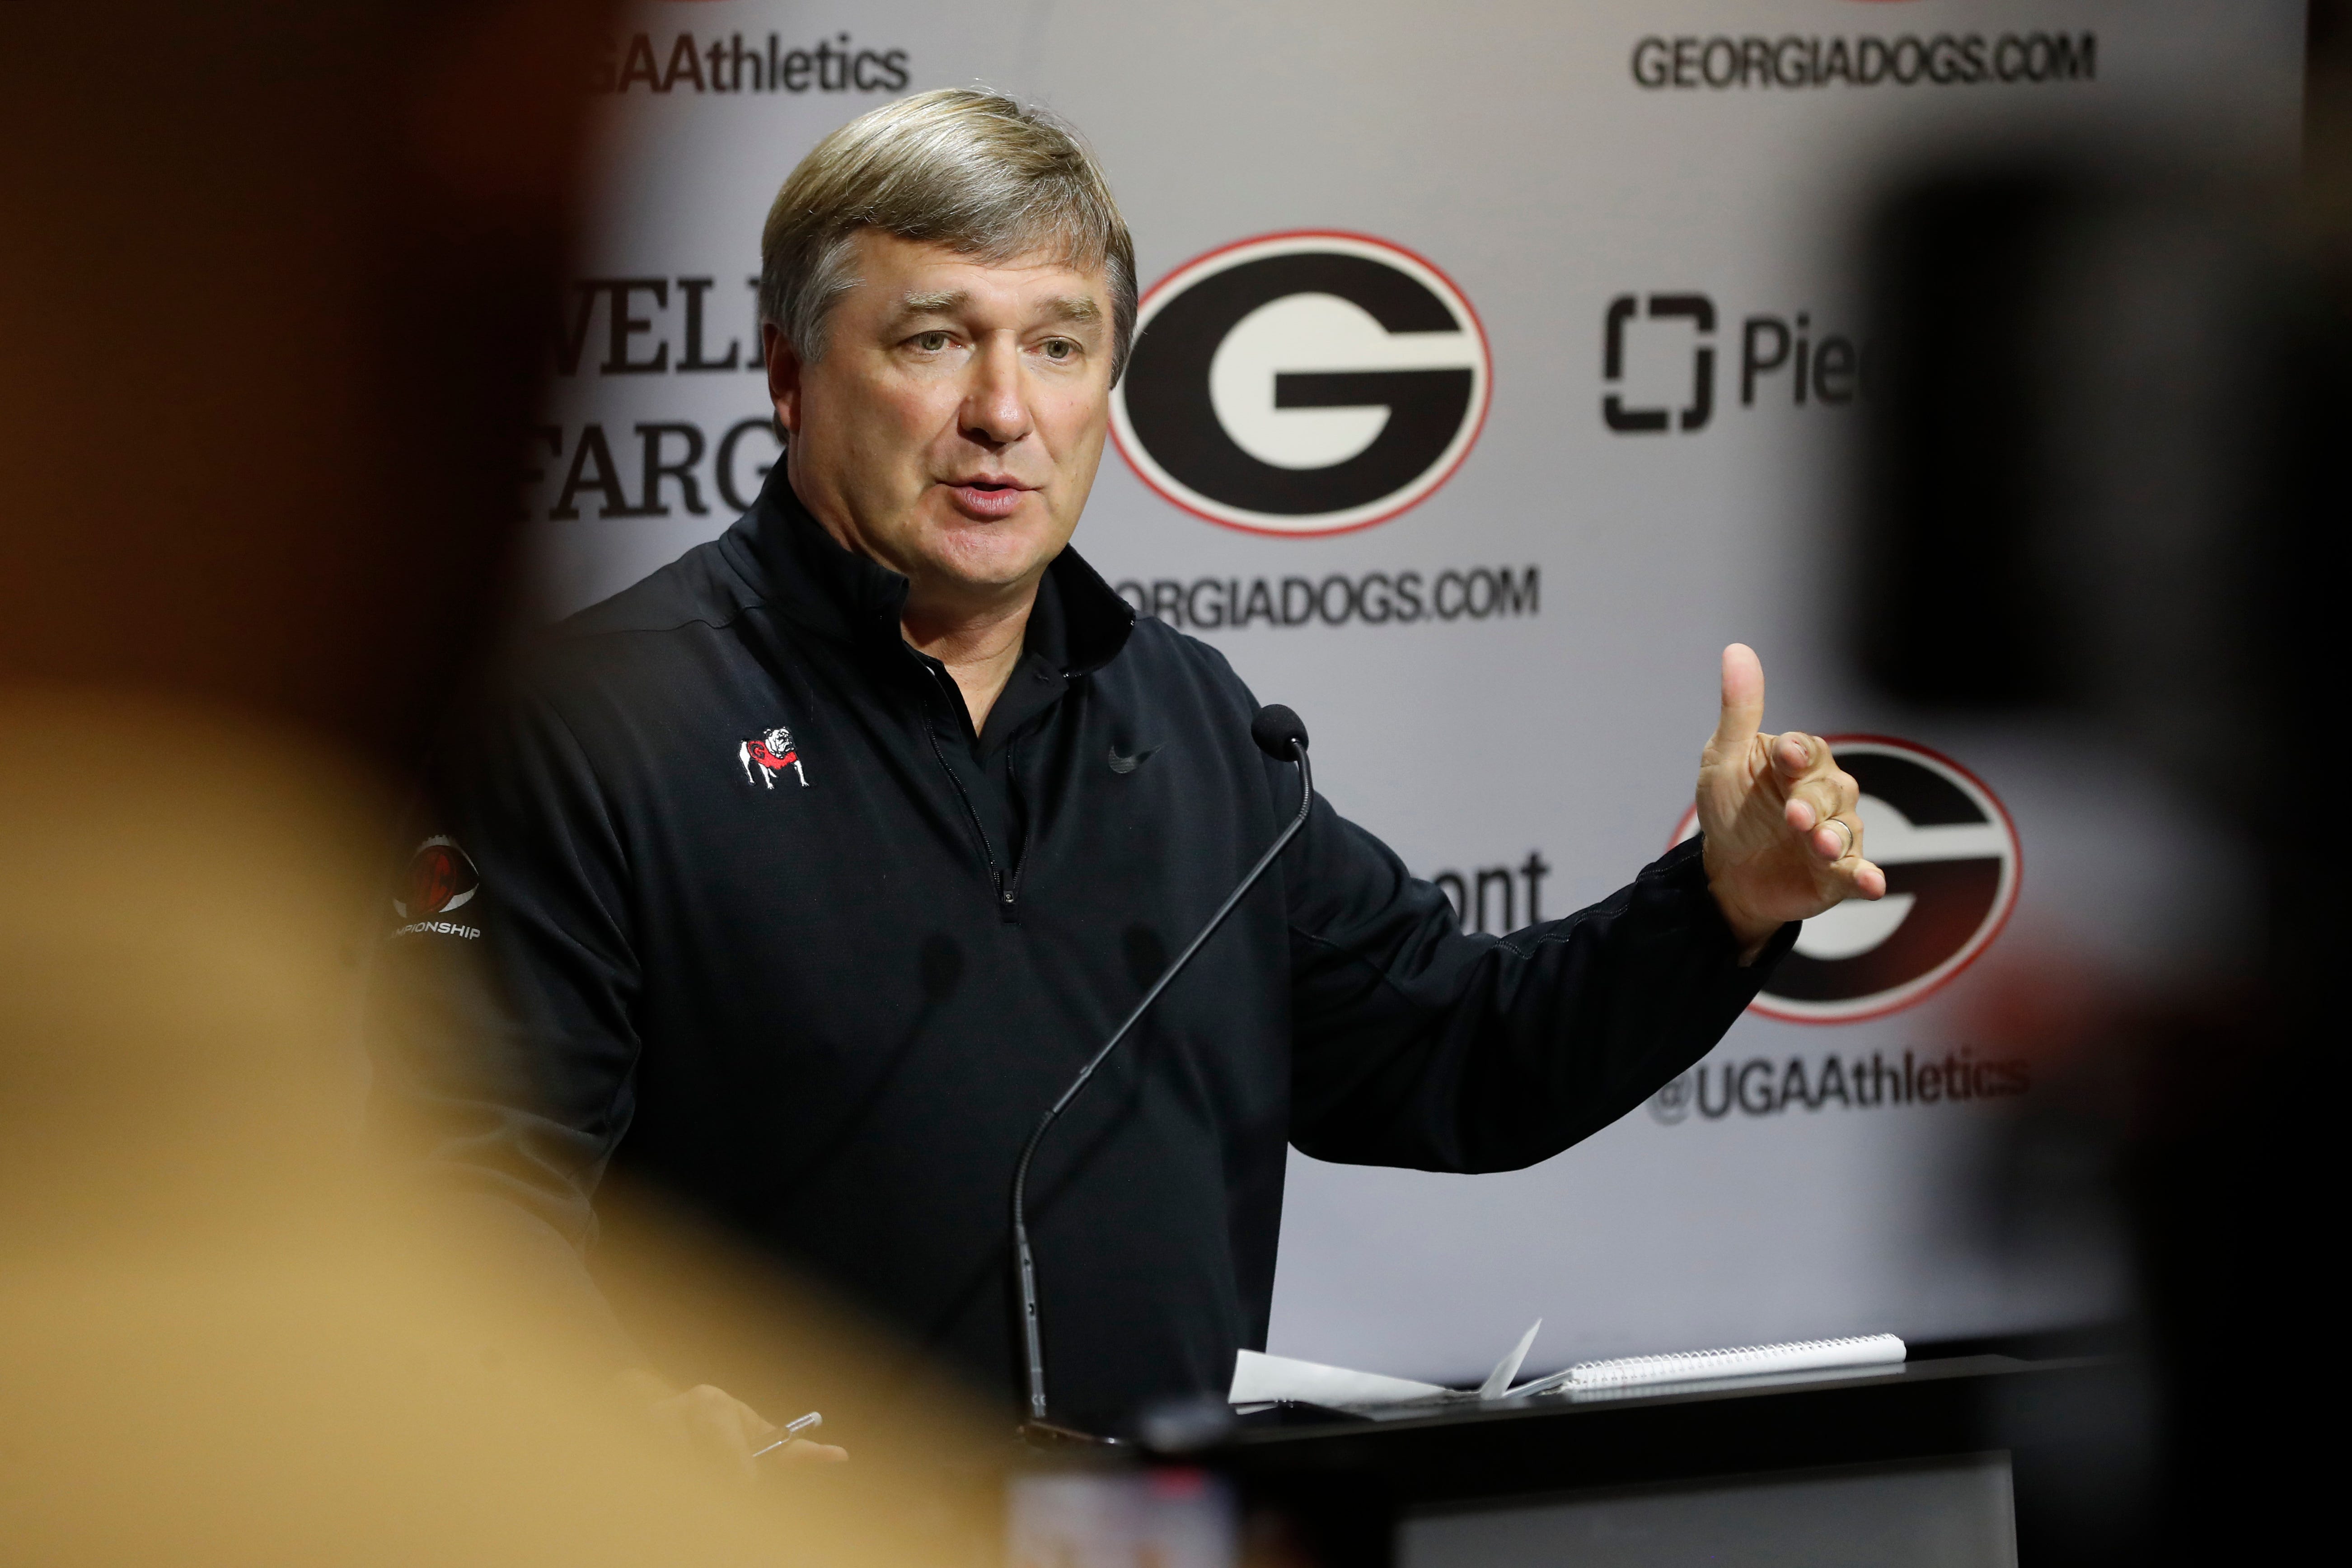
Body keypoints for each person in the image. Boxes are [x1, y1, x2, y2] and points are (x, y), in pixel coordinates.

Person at [375, 88, 1885, 1435]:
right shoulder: (593, 723)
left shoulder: (1191, 723)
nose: (1001, 413)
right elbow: (462, 1189)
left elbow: (1461, 1056)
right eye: (932, 340)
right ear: (786, 376)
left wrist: (1719, 905)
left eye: (1056, 345)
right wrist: (615, 1417)